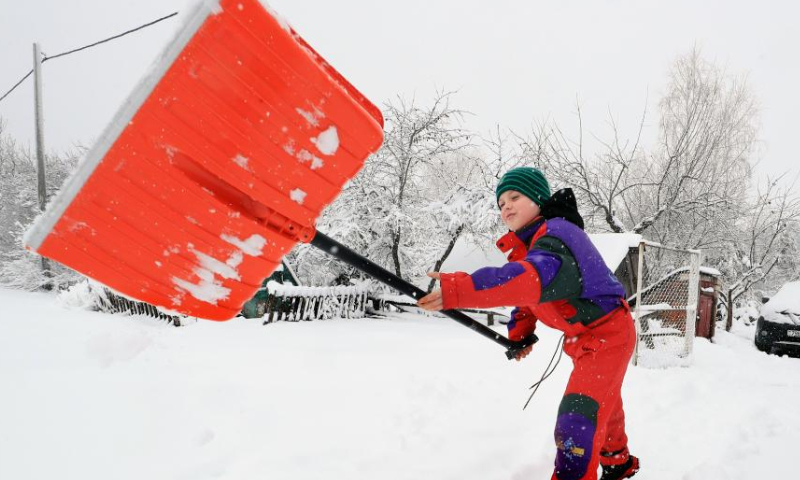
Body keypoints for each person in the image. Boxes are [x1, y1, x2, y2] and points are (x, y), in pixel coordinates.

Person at [417, 167, 639, 480]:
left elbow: (529, 282)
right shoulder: (533, 245)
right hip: (585, 337)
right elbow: (529, 301)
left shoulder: (558, 235)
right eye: (500, 202)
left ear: (538, 200)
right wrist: (521, 335)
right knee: (604, 400)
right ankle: (618, 463)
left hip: (608, 334)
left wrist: (459, 290)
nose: (505, 206)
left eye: (514, 197)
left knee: (578, 416)